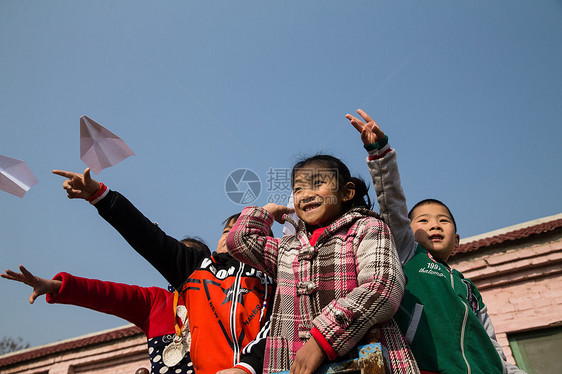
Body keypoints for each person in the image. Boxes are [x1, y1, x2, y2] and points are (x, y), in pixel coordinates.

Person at [346, 108, 527, 374]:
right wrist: (380, 154)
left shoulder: (468, 289)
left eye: (443, 220)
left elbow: (492, 346)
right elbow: (393, 205)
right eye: (423, 220)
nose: (434, 224)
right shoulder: (408, 256)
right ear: (406, 233)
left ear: (457, 241)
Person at [51, 168, 275, 374]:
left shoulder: (276, 280)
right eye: (226, 231)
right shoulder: (197, 268)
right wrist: (100, 195)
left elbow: (279, 335)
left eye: (244, 232)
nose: (230, 237)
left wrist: (246, 369)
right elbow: (147, 237)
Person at [226, 155, 419, 374]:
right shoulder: (286, 249)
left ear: (347, 192)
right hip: (289, 366)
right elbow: (239, 241)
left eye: (317, 183)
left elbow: (383, 286)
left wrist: (321, 339)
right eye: (298, 189)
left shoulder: (367, 227)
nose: (306, 195)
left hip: (365, 362)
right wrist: (266, 212)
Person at [1, 237, 210, 374]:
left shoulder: (222, 305)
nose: (178, 264)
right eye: (173, 258)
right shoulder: (155, 301)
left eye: (187, 258)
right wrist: (55, 286)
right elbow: (105, 294)